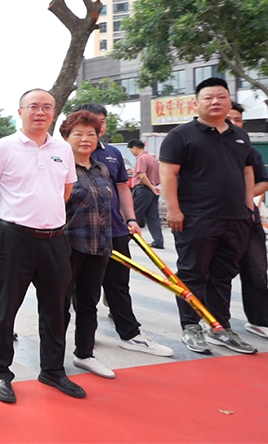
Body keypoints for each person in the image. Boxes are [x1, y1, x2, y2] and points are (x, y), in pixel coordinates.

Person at [0, 88, 85, 403]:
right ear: (20, 111)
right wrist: (7, 214)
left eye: (47, 107)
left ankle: (52, 370)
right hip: (14, 239)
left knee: (56, 309)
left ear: (54, 113)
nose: (41, 112)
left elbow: (66, 190)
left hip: (55, 239)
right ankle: (1, 373)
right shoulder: (1, 148)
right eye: (34, 106)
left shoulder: (62, 149)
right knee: (4, 309)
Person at [159, 77, 257, 355]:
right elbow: (168, 174)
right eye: (209, 97)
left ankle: (219, 326)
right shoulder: (180, 136)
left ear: (229, 100)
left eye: (221, 97)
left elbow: (247, 172)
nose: (216, 102)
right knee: (193, 273)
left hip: (235, 219)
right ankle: (191, 326)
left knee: (223, 274)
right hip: (196, 218)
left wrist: (248, 208)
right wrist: (174, 210)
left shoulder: (240, 135)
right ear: (196, 103)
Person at [77, 103, 173, 359]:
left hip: (114, 229)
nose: (98, 127)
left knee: (118, 283)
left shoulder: (112, 153)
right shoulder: (64, 152)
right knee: (82, 288)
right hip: (80, 233)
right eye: (92, 122)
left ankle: (130, 334)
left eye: (102, 122)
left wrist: (130, 218)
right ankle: (84, 338)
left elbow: (122, 188)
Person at [60, 111, 117, 379]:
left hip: (99, 246)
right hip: (67, 247)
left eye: (91, 134)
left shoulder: (101, 168)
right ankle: (53, 359)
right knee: (59, 305)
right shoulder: (60, 168)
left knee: (89, 303)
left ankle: (85, 354)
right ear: (66, 137)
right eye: (78, 134)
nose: (85, 139)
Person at [226, 103, 268, 341]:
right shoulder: (201, 148)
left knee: (256, 270)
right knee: (217, 274)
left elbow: (263, 182)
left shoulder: (250, 151)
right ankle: (215, 323)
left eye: (238, 119)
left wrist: (242, 197)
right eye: (229, 118)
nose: (233, 123)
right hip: (213, 221)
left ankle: (260, 321)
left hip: (248, 220)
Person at [127, 139, 164, 249]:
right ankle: (158, 241)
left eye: (131, 150)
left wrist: (150, 186)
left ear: (135, 148)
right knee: (153, 217)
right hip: (153, 190)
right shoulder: (152, 158)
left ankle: (123, 239)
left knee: (133, 215)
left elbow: (142, 175)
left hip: (143, 189)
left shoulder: (141, 158)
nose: (132, 152)